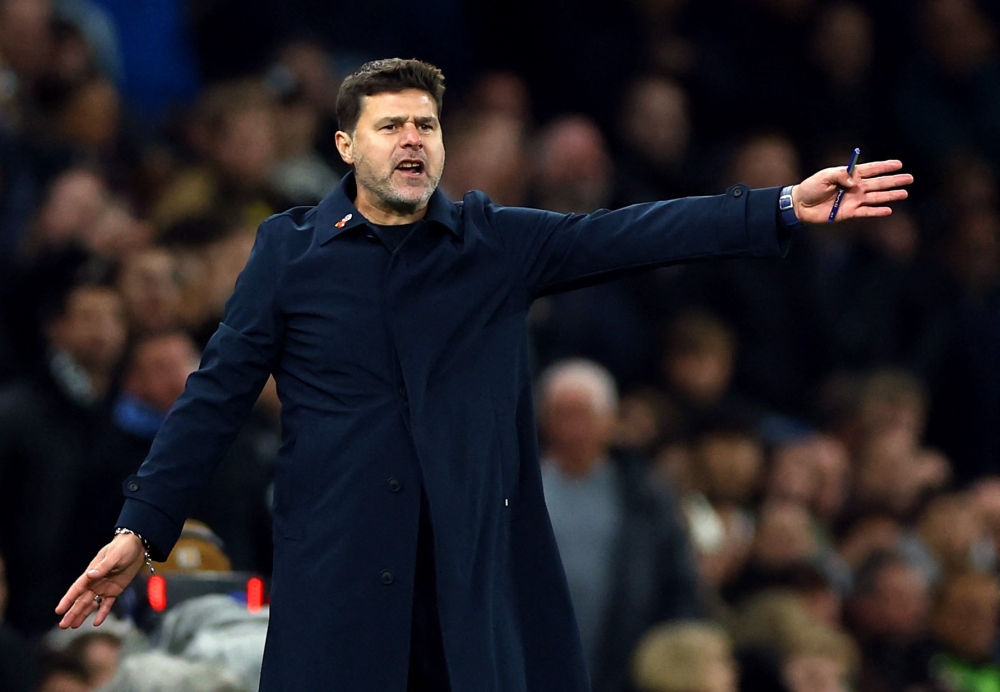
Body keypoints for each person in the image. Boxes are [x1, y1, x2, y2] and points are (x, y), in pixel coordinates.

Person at [56, 58, 912, 692]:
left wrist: (775, 206)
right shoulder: (288, 252)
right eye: (391, 126)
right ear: (346, 144)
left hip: (472, 583)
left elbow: (627, 233)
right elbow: (214, 396)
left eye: (426, 125)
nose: (412, 141)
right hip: (339, 583)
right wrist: (140, 530)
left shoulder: (493, 244)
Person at [538, 359, 702, 692]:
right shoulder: (516, 492)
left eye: (583, 415)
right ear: (543, 420)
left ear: (609, 420)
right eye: (562, 414)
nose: (573, 430)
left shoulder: (644, 495)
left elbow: (677, 582)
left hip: (624, 668)